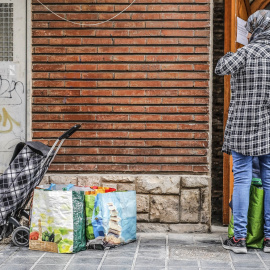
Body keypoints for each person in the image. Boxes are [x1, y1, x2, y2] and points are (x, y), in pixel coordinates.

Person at [215, 10, 270, 254]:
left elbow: (220, 67)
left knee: (242, 179)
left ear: (254, 29)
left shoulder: (246, 53)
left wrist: (240, 46)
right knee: (269, 180)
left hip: (243, 127)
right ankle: (269, 239)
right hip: (269, 126)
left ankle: (239, 239)